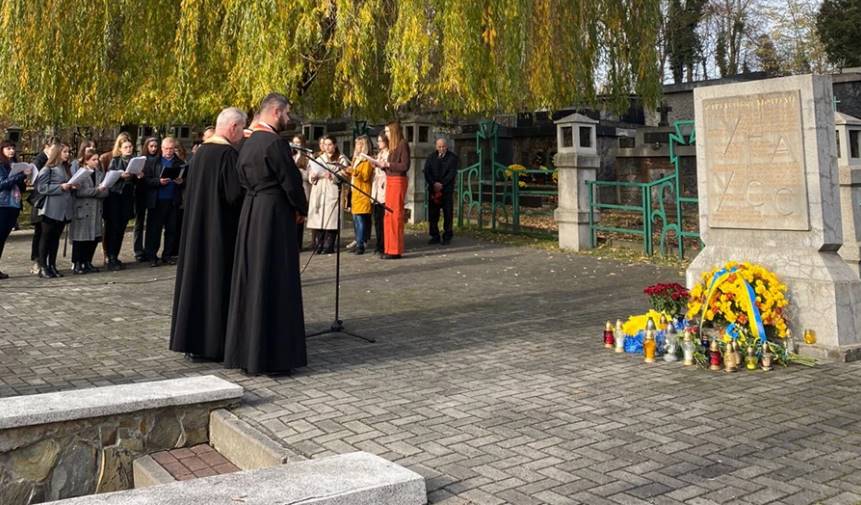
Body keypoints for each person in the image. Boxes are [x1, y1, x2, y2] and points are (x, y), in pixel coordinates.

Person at [224, 92, 308, 376]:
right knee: (275, 277)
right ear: (274, 111)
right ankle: (274, 355)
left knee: (253, 277)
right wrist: (301, 207)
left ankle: (248, 351)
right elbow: (291, 181)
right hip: (273, 215)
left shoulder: (245, 143)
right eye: (286, 114)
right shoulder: (274, 143)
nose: (288, 118)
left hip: (252, 212)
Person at [171, 107, 247, 362]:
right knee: (215, 283)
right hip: (218, 231)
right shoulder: (226, 155)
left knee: (195, 283)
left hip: (196, 229)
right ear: (234, 128)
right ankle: (213, 344)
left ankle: (191, 341)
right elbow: (235, 195)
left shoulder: (200, 153)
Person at [35, 144, 77, 278]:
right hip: (50, 208)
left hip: (63, 209)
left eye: (68, 151)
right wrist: (60, 187)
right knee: (46, 237)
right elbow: (41, 188)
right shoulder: (49, 168)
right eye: (64, 151)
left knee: (55, 239)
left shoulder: (66, 168)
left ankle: (52, 265)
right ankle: (42, 266)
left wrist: (72, 185)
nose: (67, 154)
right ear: (57, 153)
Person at [142, 137, 186, 266]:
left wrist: (181, 181)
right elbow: (146, 181)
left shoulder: (179, 163)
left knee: (171, 230)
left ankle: (167, 255)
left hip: (173, 200)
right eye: (166, 148)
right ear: (162, 148)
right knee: (154, 230)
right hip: (157, 200)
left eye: (171, 149)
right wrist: (158, 181)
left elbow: (186, 180)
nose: (168, 151)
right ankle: (152, 256)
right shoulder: (153, 162)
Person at [370, 121, 409, 259]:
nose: (386, 134)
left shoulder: (402, 144)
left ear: (394, 131)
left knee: (395, 215)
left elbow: (405, 165)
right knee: (388, 216)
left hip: (398, 181)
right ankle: (388, 247)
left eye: (387, 131)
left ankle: (395, 250)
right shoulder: (393, 147)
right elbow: (390, 167)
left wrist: (387, 164)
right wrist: (381, 166)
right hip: (390, 180)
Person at [307, 135, 347, 254]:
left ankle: (329, 245)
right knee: (319, 218)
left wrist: (332, 176)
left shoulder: (341, 159)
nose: (327, 147)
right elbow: (311, 172)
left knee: (331, 219)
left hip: (332, 189)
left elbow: (345, 174)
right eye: (325, 145)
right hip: (319, 189)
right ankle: (318, 244)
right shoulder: (319, 158)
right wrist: (312, 177)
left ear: (335, 145)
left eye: (330, 144)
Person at [69, 150, 107, 274]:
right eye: (93, 160)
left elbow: (106, 191)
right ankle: (77, 263)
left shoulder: (100, 174)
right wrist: (96, 191)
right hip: (82, 209)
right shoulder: (81, 173)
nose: (96, 162)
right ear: (86, 160)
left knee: (94, 238)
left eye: (97, 159)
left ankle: (88, 261)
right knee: (80, 238)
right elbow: (79, 192)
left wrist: (98, 191)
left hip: (96, 209)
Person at [103, 138, 137, 271]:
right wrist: (120, 176)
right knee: (113, 229)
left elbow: (136, 183)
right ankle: (110, 256)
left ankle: (115, 255)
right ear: (120, 149)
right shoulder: (115, 160)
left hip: (127, 198)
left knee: (121, 229)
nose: (129, 149)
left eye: (130, 146)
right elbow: (110, 179)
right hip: (115, 198)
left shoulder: (135, 160)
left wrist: (138, 175)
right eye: (126, 147)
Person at [28, 137, 60, 274]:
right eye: (54, 148)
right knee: (40, 232)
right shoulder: (40, 160)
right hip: (40, 201)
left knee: (45, 233)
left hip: (50, 201)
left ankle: (44, 261)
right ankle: (38, 260)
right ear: (46, 146)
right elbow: (37, 182)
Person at [0, 141, 29, 279]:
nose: (11, 151)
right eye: (8, 148)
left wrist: (24, 181)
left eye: (13, 148)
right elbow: (2, 184)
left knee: (3, 238)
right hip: (3, 204)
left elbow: (20, 188)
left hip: (14, 204)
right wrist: (20, 176)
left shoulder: (15, 165)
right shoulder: (1, 166)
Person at [424, 137, 459, 245]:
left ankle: (447, 236)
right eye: (439, 147)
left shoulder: (453, 158)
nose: (441, 149)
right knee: (433, 214)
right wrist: (433, 183)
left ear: (446, 146)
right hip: (433, 190)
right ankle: (434, 235)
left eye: (443, 146)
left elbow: (451, 174)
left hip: (446, 190)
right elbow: (427, 172)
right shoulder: (431, 157)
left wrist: (441, 184)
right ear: (436, 146)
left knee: (448, 214)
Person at [345, 135, 373, 255]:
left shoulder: (367, 160)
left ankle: (361, 244)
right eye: (356, 144)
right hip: (354, 191)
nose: (358, 147)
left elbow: (365, 176)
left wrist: (352, 171)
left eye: (360, 144)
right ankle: (358, 241)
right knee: (356, 220)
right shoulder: (355, 158)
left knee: (360, 219)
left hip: (363, 192)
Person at [135, 137, 160, 262]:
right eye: (151, 146)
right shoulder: (141, 159)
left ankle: (149, 250)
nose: (154, 149)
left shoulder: (159, 159)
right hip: (141, 193)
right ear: (146, 147)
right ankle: (138, 250)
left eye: (156, 146)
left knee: (151, 223)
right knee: (139, 223)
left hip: (153, 194)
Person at [291, 134, 311, 249]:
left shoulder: (307, 156)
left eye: (298, 143)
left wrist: (298, 172)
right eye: (294, 143)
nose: (295, 145)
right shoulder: (291, 156)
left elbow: (308, 175)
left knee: (300, 218)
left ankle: (299, 243)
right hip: (293, 189)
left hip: (303, 188)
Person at [371, 134, 388, 256]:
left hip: (384, 188)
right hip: (376, 189)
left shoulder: (389, 154)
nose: (378, 144)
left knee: (382, 219)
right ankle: (378, 243)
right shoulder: (379, 154)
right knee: (377, 219)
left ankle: (383, 244)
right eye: (377, 141)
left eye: (380, 141)